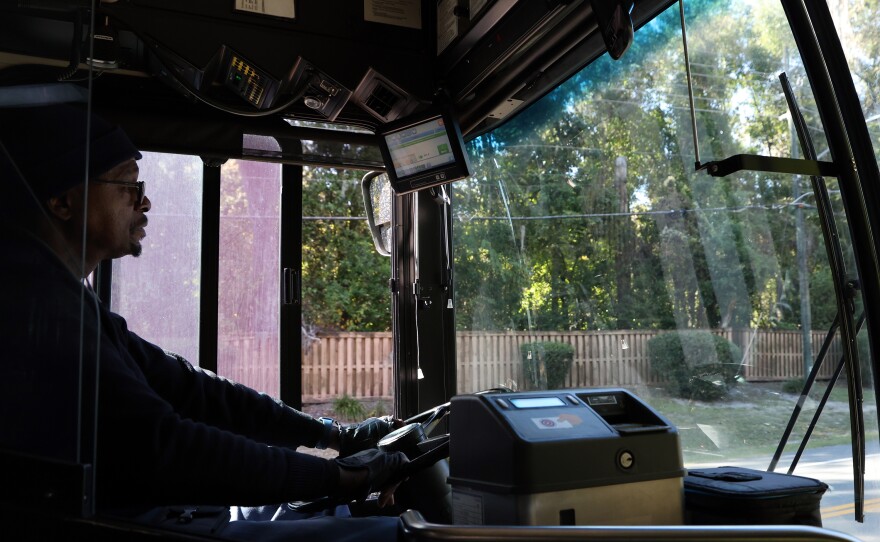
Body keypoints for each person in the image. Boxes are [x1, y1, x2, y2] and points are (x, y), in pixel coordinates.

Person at [0, 102, 409, 541]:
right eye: (125, 185)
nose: (145, 200)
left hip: (158, 513)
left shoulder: (60, 293)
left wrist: (335, 436)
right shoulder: (33, 304)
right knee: (397, 536)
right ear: (62, 201)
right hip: (135, 523)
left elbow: (191, 389)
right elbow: (167, 448)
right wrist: (340, 479)